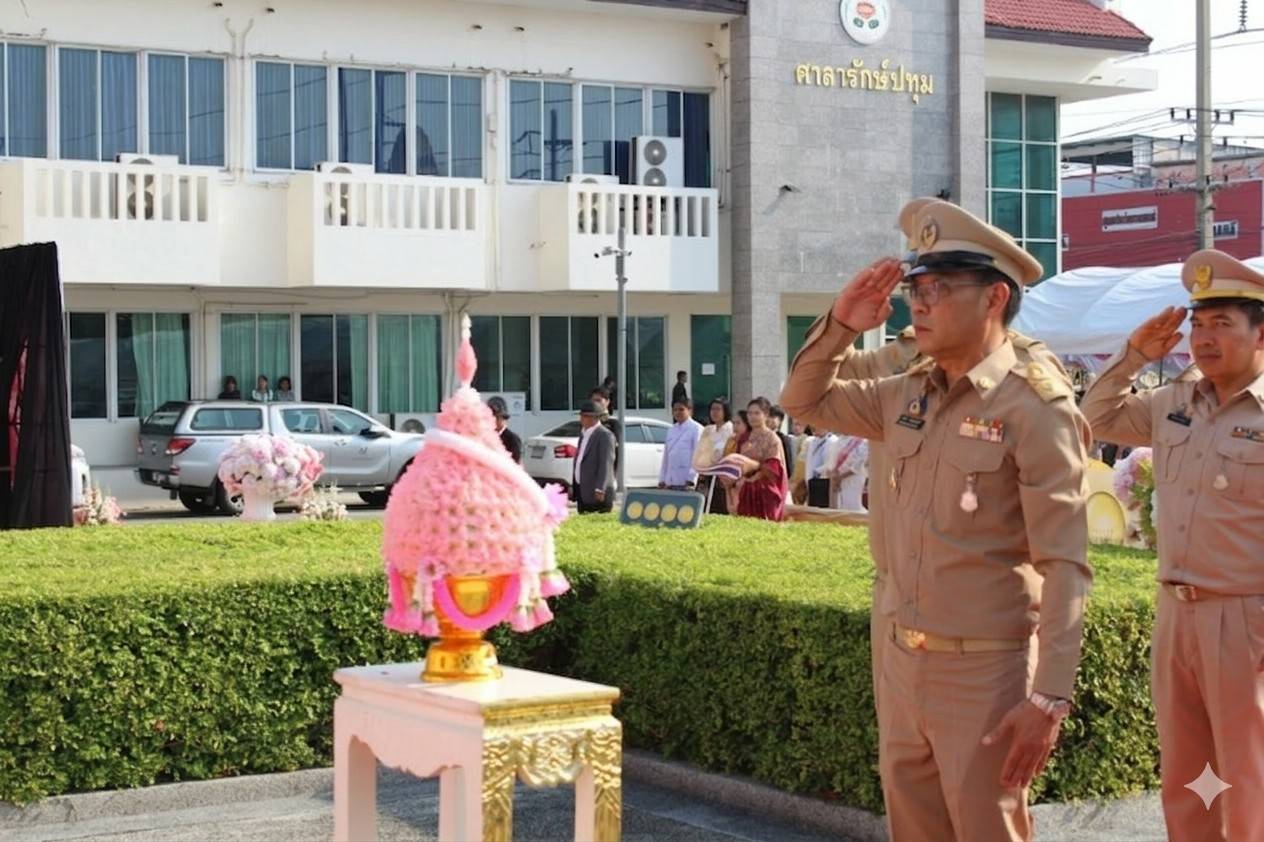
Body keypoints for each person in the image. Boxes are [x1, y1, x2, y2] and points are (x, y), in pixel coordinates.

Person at [781, 198, 1092, 842]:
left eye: (940, 288)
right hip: (901, 658)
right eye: (917, 287)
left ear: (994, 298)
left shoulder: (1035, 407)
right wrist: (841, 323)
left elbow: (1065, 563)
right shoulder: (908, 393)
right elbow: (802, 400)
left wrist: (1049, 697)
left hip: (984, 669)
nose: (919, 303)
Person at [1080, 249, 1264, 842]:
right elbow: (1095, 415)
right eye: (1198, 324)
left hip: (1246, 617)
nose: (1203, 339)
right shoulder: (1175, 403)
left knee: (1249, 777)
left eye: (1222, 325)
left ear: (1261, 333)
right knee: (1189, 776)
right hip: (1176, 615)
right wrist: (1135, 355)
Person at [726, 397, 788, 521]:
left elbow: (774, 468)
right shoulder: (744, 438)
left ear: (765, 415)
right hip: (745, 490)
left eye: (757, 413)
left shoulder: (772, 439)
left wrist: (755, 470)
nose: (752, 417)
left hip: (765, 492)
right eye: (749, 413)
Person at [572, 400, 616, 514]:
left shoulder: (605, 435)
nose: (581, 419)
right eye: (581, 415)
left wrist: (600, 487)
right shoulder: (583, 434)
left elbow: (606, 463)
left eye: (585, 416)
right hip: (582, 490)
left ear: (595, 418)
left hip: (597, 492)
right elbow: (580, 460)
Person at [693, 398, 734, 514]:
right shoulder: (708, 430)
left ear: (725, 411)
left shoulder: (731, 430)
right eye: (712, 409)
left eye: (718, 409)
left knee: (721, 506)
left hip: (722, 477)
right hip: (706, 474)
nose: (714, 412)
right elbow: (701, 450)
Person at [659, 398, 703, 490]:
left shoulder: (696, 429)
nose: (677, 412)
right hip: (670, 480)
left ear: (689, 410)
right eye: (675, 410)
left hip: (686, 480)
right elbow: (666, 457)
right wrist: (662, 478)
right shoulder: (671, 430)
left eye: (681, 409)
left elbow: (698, 455)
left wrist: (692, 478)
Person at [828, 432, 869, 513]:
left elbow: (858, 464)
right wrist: (834, 477)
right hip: (837, 478)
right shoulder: (837, 441)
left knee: (852, 504)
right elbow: (832, 462)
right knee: (840, 504)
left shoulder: (862, 441)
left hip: (853, 478)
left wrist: (841, 477)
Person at [720, 410, 750, 515]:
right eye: (734, 423)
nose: (735, 426)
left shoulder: (750, 441)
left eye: (738, 423)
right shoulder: (731, 439)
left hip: (743, 482)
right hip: (728, 480)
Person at [487, 396, 522, 464]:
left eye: (496, 418)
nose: (493, 420)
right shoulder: (485, 436)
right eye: (490, 417)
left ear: (504, 418)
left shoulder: (512, 439)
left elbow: (515, 463)